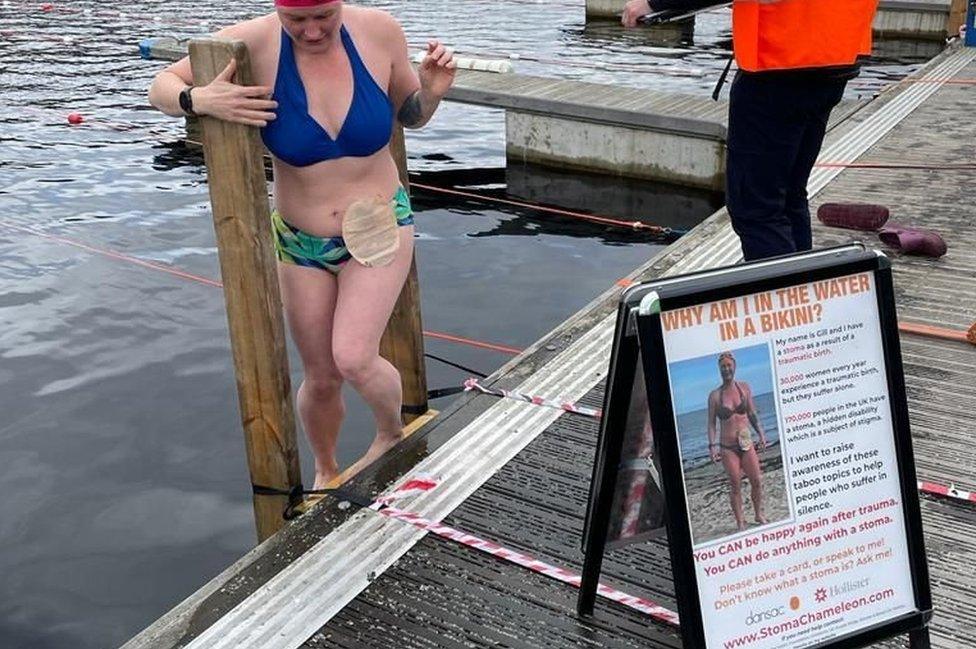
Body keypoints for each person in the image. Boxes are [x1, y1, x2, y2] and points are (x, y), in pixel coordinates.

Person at [148, 0, 456, 488]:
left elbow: (409, 114)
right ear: (278, 11)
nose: (312, 32)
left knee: (353, 356)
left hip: (378, 223)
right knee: (321, 374)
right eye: (297, 22)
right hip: (300, 240)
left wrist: (433, 95)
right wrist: (199, 101)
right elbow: (161, 85)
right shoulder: (251, 41)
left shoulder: (379, 31)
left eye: (324, 18)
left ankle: (391, 433)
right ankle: (326, 470)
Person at [623, 0, 878, 261]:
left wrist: (654, 3)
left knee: (756, 208)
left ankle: (777, 296)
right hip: (835, 56)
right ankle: (803, 288)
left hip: (778, 63)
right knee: (789, 195)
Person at [706, 351, 768, 531]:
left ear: (734, 367)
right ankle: (740, 522)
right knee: (735, 485)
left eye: (728, 366)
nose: (726, 369)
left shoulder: (745, 388)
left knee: (756, 480)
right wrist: (712, 447)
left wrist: (762, 435)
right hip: (727, 448)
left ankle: (758, 514)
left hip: (746, 444)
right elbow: (711, 424)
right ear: (719, 369)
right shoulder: (715, 396)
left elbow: (752, 413)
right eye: (723, 367)